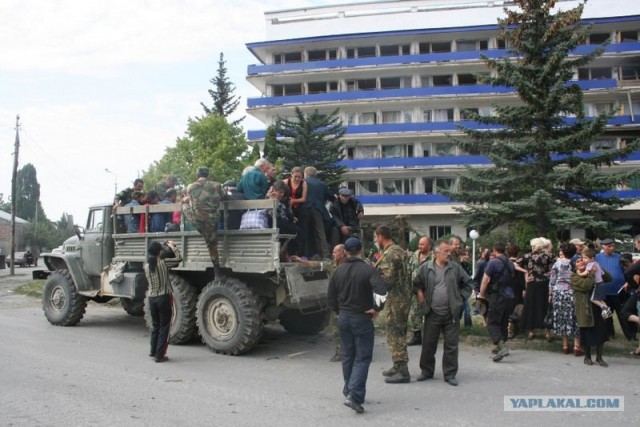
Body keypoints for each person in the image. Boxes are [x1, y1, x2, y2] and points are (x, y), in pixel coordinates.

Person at [328, 237, 387, 414]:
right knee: (362, 358)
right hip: (361, 317)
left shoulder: (337, 271)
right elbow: (382, 292)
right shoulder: (368, 270)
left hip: (344, 317)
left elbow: (331, 299)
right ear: (361, 250)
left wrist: (340, 311)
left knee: (348, 355)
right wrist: (376, 309)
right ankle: (354, 395)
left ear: (345, 252)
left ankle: (348, 389)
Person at [413, 239, 472, 385]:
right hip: (432, 313)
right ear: (436, 252)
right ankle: (426, 371)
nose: (449, 253)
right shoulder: (426, 268)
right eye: (446, 251)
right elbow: (416, 283)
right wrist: (420, 293)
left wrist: (460, 298)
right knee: (428, 344)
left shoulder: (455, 268)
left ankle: (450, 374)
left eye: (450, 251)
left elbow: (468, 283)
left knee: (451, 345)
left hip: (451, 313)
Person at [292, 244, 348, 362]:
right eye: (333, 252)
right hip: (336, 302)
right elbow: (316, 265)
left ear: (343, 254)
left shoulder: (349, 266)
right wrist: (300, 261)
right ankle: (339, 352)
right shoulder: (333, 265)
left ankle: (356, 352)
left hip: (348, 302)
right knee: (335, 328)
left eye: (335, 252)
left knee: (351, 327)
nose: (332, 254)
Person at [374, 225, 412, 384]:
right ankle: (397, 366)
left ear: (381, 237)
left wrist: (374, 278)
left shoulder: (389, 254)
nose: (376, 241)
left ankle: (402, 371)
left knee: (395, 333)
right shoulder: (399, 250)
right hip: (404, 296)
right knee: (398, 331)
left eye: (376, 238)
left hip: (397, 299)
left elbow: (387, 280)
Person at [183, 167, 225, 276]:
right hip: (213, 219)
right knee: (211, 244)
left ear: (197, 176)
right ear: (208, 175)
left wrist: (185, 201)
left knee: (184, 206)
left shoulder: (191, 187)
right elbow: (223, 196)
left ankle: (217, 272)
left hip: (198, 220)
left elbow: (192, 199)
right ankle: (217, 272)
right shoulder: (217, 185)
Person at [144, 240, 180, 363]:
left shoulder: (147, 266)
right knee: (165, 327)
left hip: (152, 298)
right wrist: (173, 247)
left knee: (156, 326)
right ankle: (160, 355)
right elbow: (179, 259)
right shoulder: (164, 263)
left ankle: (153, 350)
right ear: (160, 252)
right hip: (164, 297)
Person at [480, 242, 515, 362]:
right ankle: (501, 346)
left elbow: (485, 280)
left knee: (492, 322)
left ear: (494, 250)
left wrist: (482, 294)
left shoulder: (493, 262)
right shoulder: (510, 263)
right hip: (510, 296)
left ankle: (501, 346)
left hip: (498, 295)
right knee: (503, 321)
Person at [571, 256, 609, 367]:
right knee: (587, 333)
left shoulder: (593, 268)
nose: (581, 261)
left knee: (601, 331)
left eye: (582, 259)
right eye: (577, 261)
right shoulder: (574, 277)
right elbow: (586, 286)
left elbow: (608, 278)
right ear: (575, 265)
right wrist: (592, 273)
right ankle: (587, 357)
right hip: (585, 309)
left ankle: (599, 357)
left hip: (598, 306)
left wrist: (597, 266)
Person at [595, 238, 634, 340]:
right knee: (607, 314)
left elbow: (628, 270)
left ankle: (630, 335)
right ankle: (610, 334)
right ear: (603, 247)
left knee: (623, 314)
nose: (612, 248)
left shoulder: (619, 257)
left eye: (613, 246)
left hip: (619, 291)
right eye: (609, 246)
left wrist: (627, 282)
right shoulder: (597, 257)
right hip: (604, 292)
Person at [549, 243, 582, 356]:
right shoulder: (576, 264)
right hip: (573, 293)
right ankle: (577, 346)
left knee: (562, 317)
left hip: (559, 293)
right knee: (575, 317)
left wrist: (550, 294)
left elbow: (552, 281)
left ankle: (565, 345)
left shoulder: (556, 264)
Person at [518, 237, 555, 341]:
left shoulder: (527, 256)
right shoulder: (548, 256)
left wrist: (525, 272)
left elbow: (514, 264)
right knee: (545, 306)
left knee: (531, 306)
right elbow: (557, 264)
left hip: (532, 283)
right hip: (545, 283)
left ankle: (531, 331)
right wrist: (549, 273)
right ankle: (548, 332)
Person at [302, 166, 334, 259]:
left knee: (305, 232)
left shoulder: (303, 182)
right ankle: (325, 254)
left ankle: (305, 254)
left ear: (306, 174)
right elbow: (331, 197)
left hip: (305, 208)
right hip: (318, 209)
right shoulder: (322, 184)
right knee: (320, 232)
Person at [407, 236, 433, 346]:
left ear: (429, 246)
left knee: (429, 313)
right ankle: (417, 336)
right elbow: (409, 269)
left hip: (428, 290)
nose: (419, 246)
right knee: (415, 314)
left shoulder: (433, 257)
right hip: (414, 290)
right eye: (419, 244)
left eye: (422, 244)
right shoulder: (414, 255)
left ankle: (430, 336)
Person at [579, 247, 613, 319]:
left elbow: (586, 273)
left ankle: (603, 307)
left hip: (597, 284)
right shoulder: (597, 263)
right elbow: (603, 273)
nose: (583, 260)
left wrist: (579, 274)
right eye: (583, 258)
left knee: (592, 299)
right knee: (600, 299)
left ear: (592, 258)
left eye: (585, 258)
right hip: (602, 283)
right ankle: (607, 310)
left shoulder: (590, 264)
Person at [284, 167, 308, 256]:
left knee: (302, 231)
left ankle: (301, 252)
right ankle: (290, 252)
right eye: (295, 177)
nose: (297, 179)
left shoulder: (304, 184)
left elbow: (303, 199)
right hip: (289, 209)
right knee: (291, 229)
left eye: (299, 177)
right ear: (291, 175)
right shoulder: (286, 182)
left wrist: (294, 201)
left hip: (300, 208)